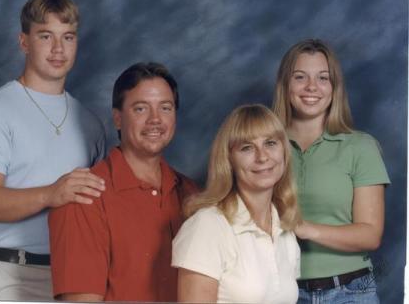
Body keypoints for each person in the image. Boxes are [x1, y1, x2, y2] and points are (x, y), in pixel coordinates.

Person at [0, 0, 106, 301]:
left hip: (77, 278)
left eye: (67, 37)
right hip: (13, 275)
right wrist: (50, 194)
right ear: (24, 42)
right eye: (45, 36)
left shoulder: (89, 122)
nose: (58, 49)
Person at [49, 62, 199, 302]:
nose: (155, 119)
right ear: (118, 119)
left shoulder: (192, 194)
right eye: (140, 109)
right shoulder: (84, 198)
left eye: (165, 108)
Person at [272, 39, 390, 303]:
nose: (311, 87)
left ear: (334, 88)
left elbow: (370, 235)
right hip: (283, 292)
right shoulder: (265, 147)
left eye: (323, 78)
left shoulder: (361, 147)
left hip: (350, 292)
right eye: (300, 77)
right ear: (284, 85)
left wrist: (303, 228)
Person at [172, 104, 301, 303]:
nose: (263, 156)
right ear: (229, 160)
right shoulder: (207, 226)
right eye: (247, 148)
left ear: (284, 151)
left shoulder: (284, 230)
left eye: (271, 143)